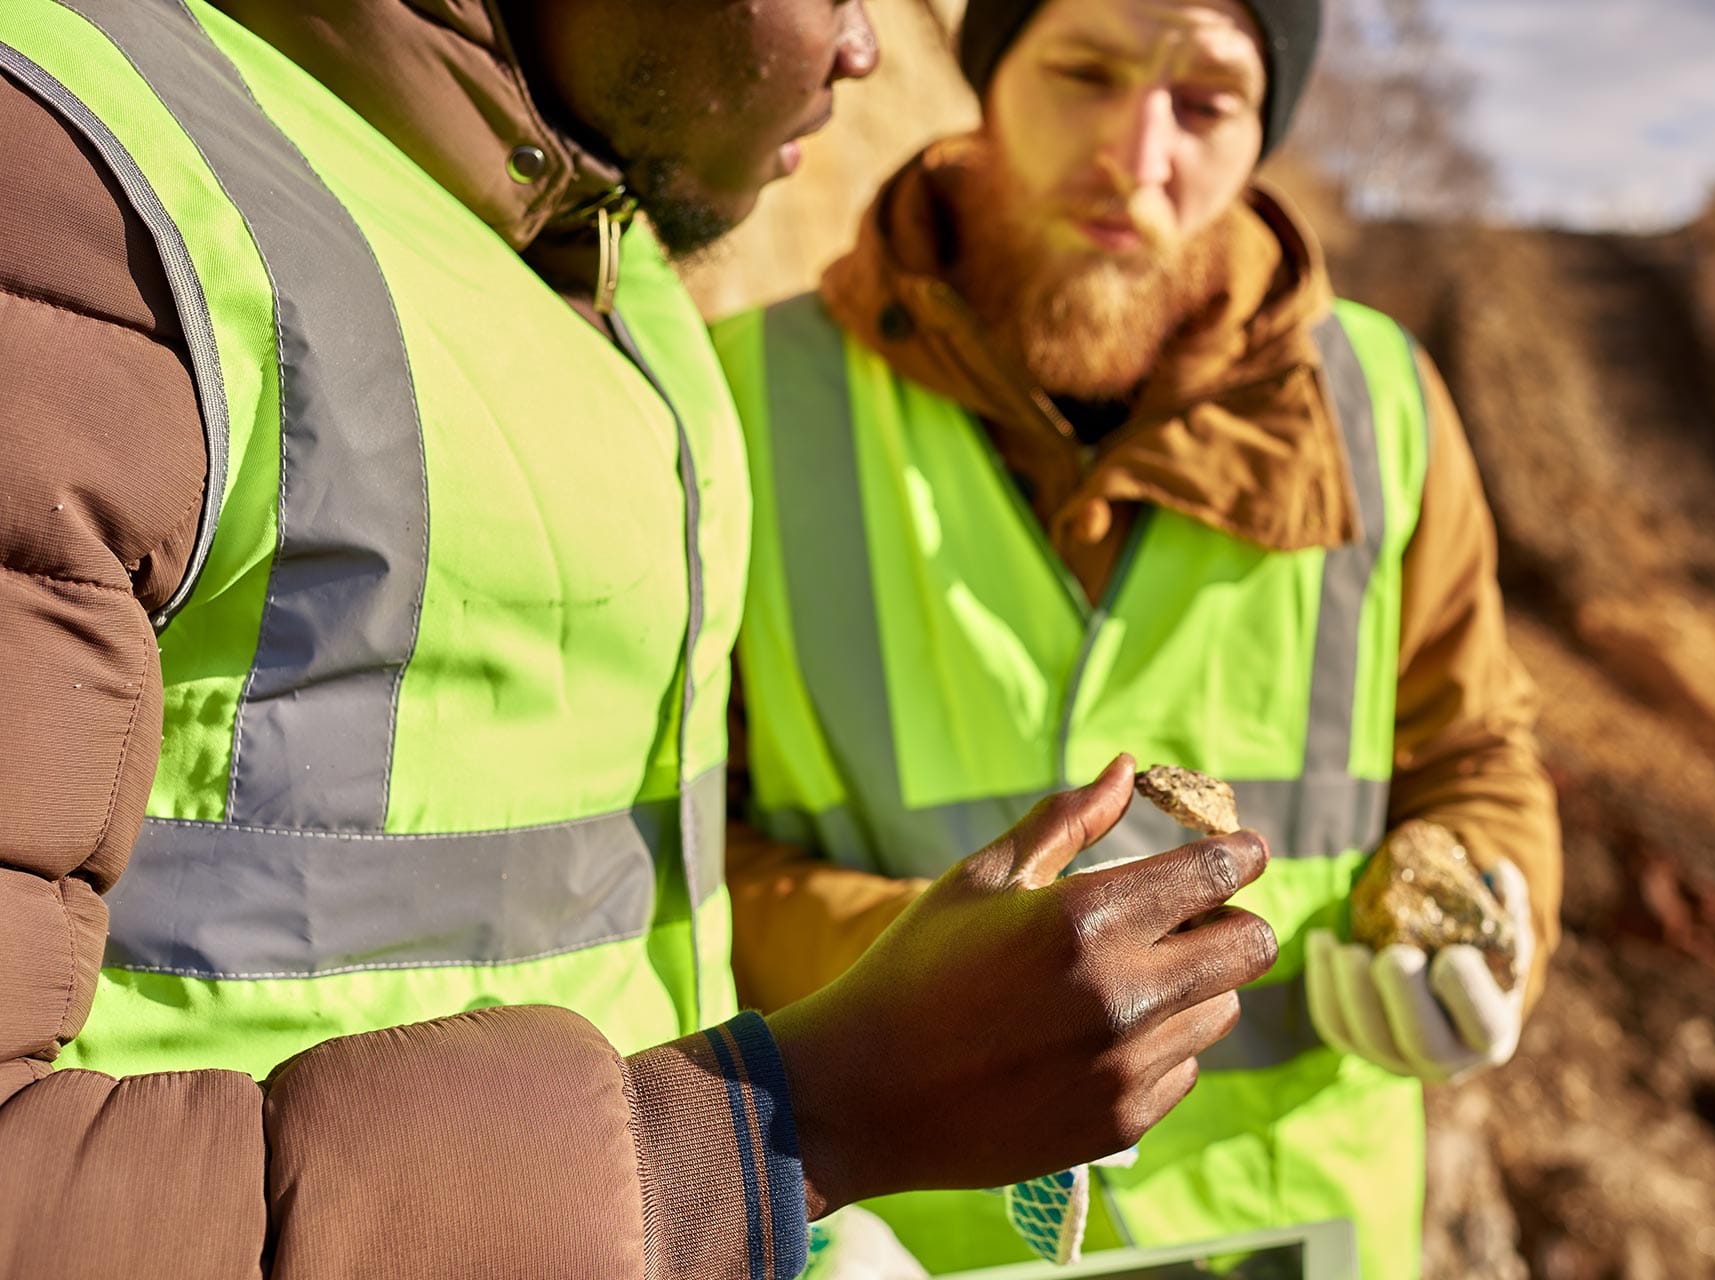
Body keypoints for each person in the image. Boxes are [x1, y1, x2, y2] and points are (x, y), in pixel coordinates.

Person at [0, 2, 1283, 1276]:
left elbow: (634, 920)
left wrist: (792, 1225)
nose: (865, 49)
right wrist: (783, 1126)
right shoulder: (70, 178)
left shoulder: (629, 282)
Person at [712, 0, 1564, 1275]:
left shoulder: (1386, 409)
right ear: (988, 79)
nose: (1138, 151)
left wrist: (1492, 908)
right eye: (1086, 70)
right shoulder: (743, 396)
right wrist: (913, 995)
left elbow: (1473, 744)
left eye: (1208, 101)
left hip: (1296, 1232)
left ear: (1264, 129)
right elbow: (664, 850)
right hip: (902, 1229)